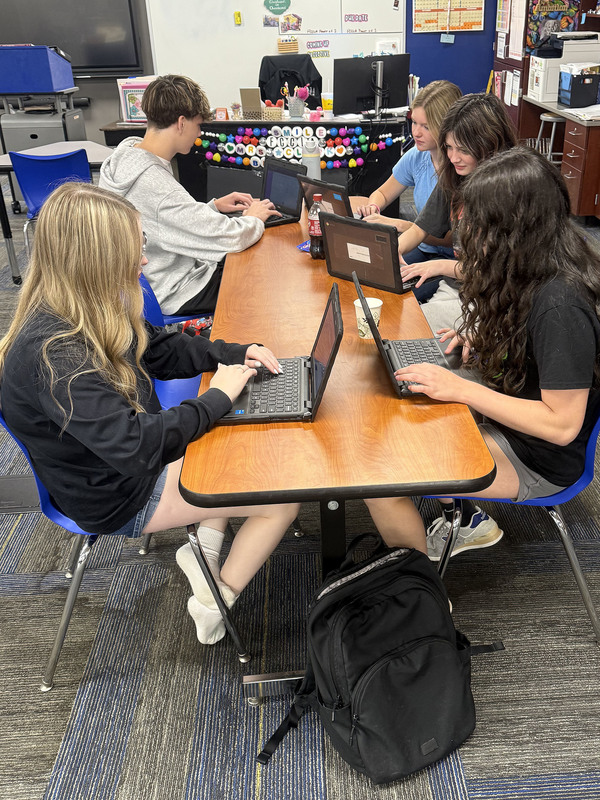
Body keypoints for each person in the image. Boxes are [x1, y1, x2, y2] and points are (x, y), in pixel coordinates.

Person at [0, 182, 299, 647]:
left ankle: (202, 550)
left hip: (120, 460)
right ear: (97, 259)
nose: (144, 260)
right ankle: (215, 599)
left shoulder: (85, 304)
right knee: (283, 496)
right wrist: (217, 397)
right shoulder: (54, 356)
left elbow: (158, 347)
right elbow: (138, 447)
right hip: (117, 492)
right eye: (135, 249)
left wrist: (234, 353)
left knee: (233, 440)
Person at [364, 147, 600, 561]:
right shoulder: (530, 267)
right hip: (511, 412)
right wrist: (483, 339)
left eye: (477, 221)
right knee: (395, 410)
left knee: (380, 475)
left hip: (539, 456)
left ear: (513, 228)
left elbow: (561, 426)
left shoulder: (561, 305)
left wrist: (460, 389)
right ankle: (466, 519)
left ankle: (423, 603)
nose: (465, 229)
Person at [99, 74, 279, 317]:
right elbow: (231, 239)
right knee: (261, 277)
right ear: (181, 123)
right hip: (174, 290)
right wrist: (255, 218)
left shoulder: (125, 157)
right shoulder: (154, 184)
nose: (198, 135)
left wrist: (212, 207)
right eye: (198, 126)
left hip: (144, 283)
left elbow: (162, 221)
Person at [390, 93, 517, 332]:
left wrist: (439, 266)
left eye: (463, 150)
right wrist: (392, 248)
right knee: (398, 319)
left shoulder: (508, 191)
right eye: (448, 147)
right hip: (460, 286)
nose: (453, 157)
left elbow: (491, 273)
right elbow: (421, 227)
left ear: (489, 145)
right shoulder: (455, 174)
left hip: (493, 299)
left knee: (408, 329)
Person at [356, 80, 462, 303]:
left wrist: (401, 226)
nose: (416, 132)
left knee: (399, 297)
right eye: (414, 122)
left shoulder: (460, 169)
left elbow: (453, 239)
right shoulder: (418, 156)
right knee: (374, 278)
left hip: (454, 261)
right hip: (422, 249)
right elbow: (383, 193)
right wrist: (373, 207)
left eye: (426, 126)